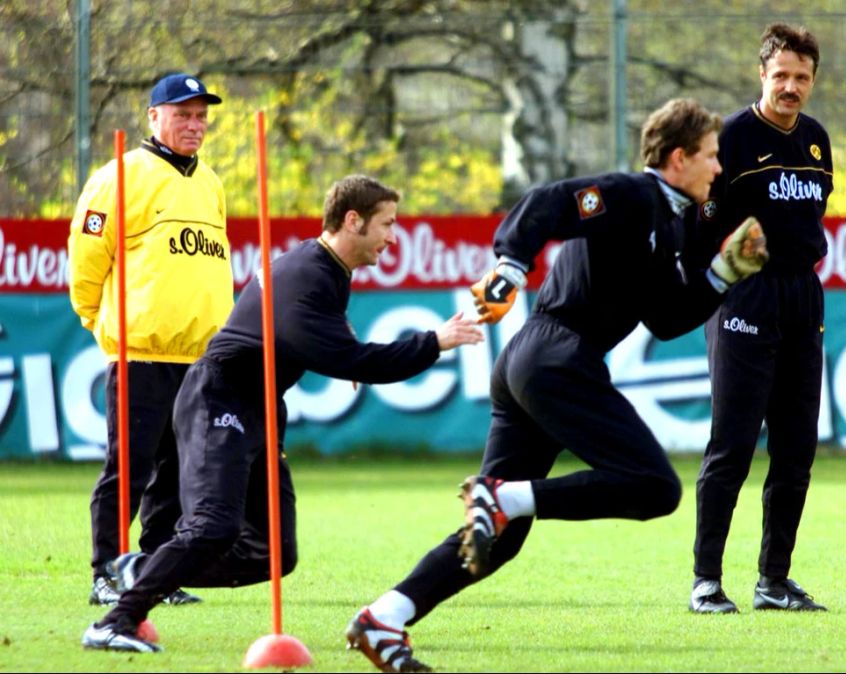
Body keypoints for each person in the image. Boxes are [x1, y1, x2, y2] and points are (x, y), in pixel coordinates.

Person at [345, 98, 770, 673]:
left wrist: (723, 273)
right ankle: (503, 498)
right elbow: (547, 203)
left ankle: (384, 618)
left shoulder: (670, 221)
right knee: (653, 487)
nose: (719, 169)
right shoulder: (629, 194)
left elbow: (666, 319)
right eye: (712, 156)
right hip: (555, 359)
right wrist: (511, 266)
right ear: (678, 157)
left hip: (534, 363)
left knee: (500, 540)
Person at [80, 174, 486, 653]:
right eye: (387, 224)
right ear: (352, 221)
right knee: (213, 526)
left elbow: (322, 336)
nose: (392, 238)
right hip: (220, 399)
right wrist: (434, 342)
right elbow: (358, 362)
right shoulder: (309, 275)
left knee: (272, 552)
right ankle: (114, 622)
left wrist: (343, 343)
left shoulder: (326, 271)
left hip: (259, 410)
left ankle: (142, 569)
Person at [68, 72, 232, 608]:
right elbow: (87, 262)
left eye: (201, 114)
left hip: (199, 358)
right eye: (183, 113)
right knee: (130, 468)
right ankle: (106, 571)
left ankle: (157, 573)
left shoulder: (210, 182)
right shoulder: (119, 176)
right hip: (142, 352)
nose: (194, 123)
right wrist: (99, 322)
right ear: (154, 116)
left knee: (179, 476)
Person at [688, 23, 833, 614]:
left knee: (797, 448)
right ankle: (705, 581)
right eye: (782, 76)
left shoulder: (819, 140)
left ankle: (774, 581)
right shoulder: (732, 139)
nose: (791, 87)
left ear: (813, 79)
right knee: (733, 445)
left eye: (802, 77)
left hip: (803, 297)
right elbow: (700, 226)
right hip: (745, 297)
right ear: (761, 75)